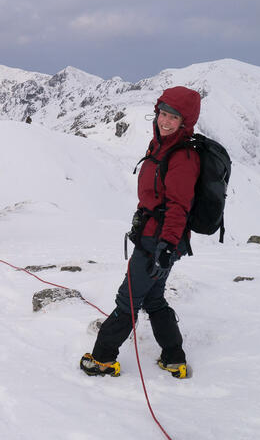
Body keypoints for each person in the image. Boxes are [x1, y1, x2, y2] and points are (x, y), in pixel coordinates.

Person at [80, 86, 201, 379]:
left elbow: (178, 207)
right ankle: (174, 358)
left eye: (174, 117)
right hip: (153, 235)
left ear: (186, 122)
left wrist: (167, 247)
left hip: (159, 241)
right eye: (163, 113)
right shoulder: (160, 145)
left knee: (129, 300)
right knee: (154, 299)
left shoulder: (183, 157)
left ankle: (103, 359)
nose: (166, 121)